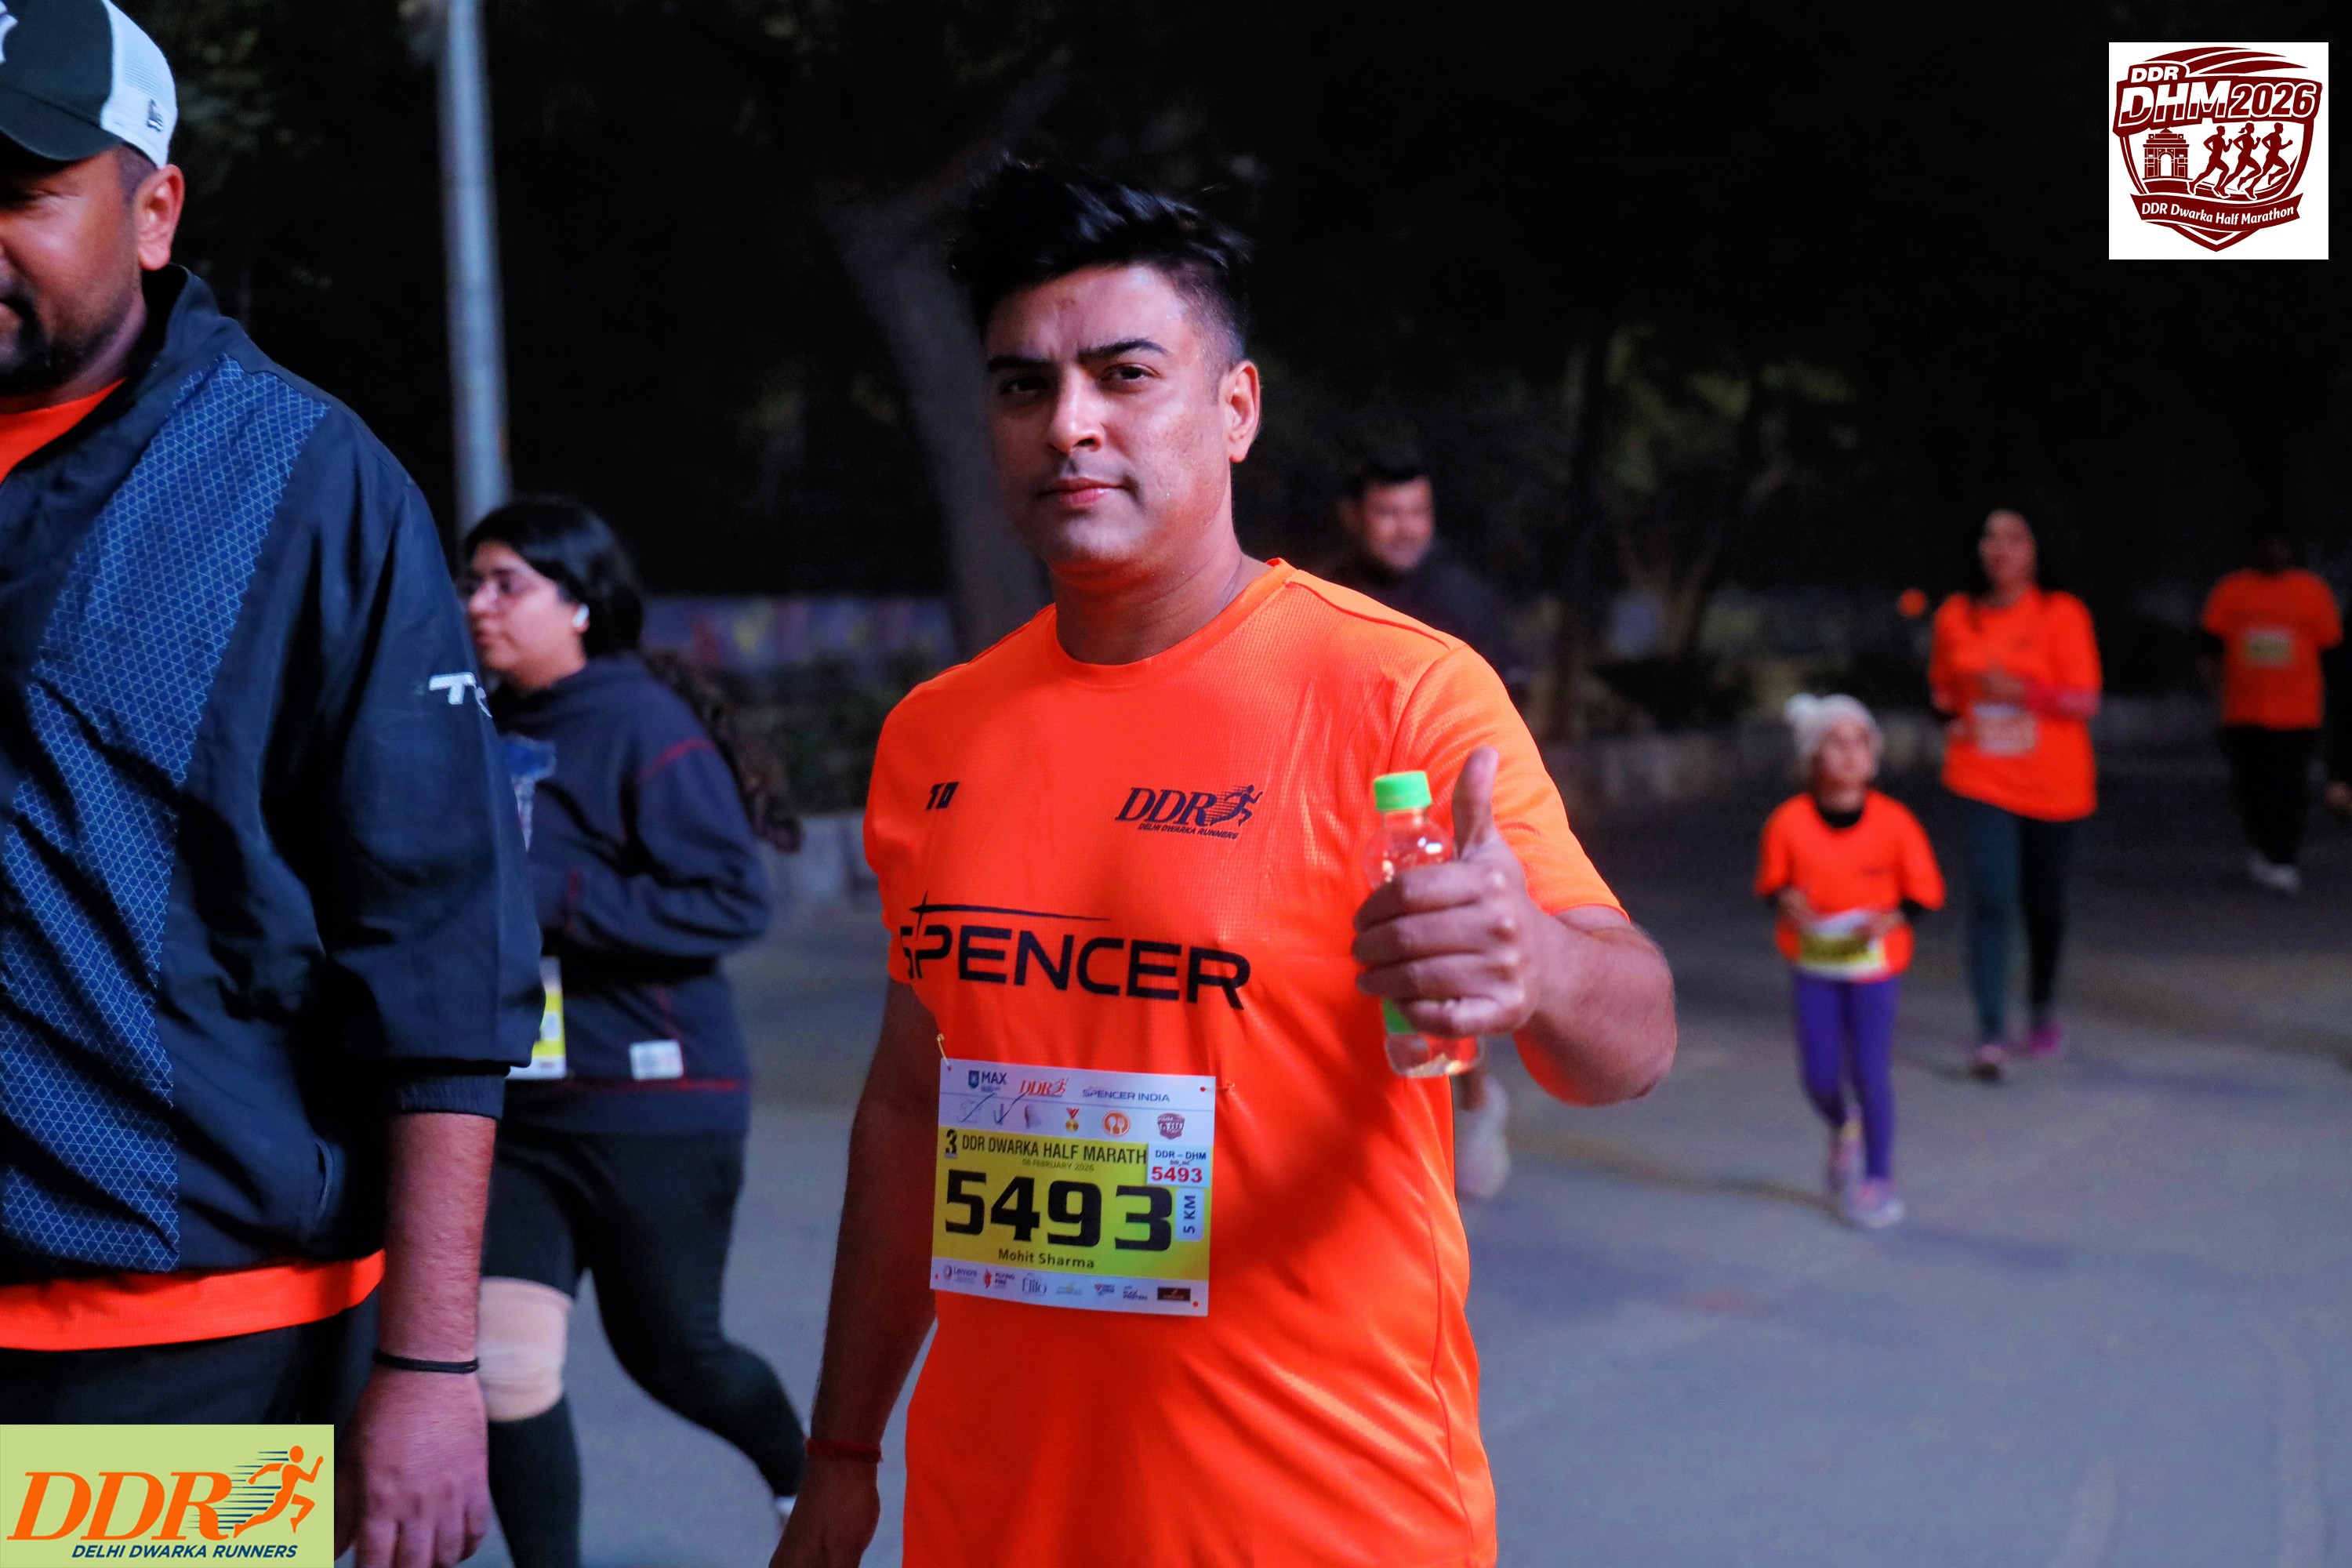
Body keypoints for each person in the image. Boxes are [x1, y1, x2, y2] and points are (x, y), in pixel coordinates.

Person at [774, 162, 1676, 1568]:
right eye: (1023, 386)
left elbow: (1631, 1043)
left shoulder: (1399, 695)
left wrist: (1540, 960)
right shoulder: (934, 736)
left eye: (1125, 374)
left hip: (1318, 1524)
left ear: (1236, 408)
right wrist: (840, 1452)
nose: (1069, 424)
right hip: (991, 1520)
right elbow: (909, 1108)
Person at [0, 7, 541, 1568]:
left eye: (22, 192)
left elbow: (440, 961)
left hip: (196, 1357)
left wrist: (432, 1367)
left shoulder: (301, 484)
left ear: (154, 208)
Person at [460, 499, 810, 1568]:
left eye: (507, 583)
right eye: (471, 582)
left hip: (656, 1101)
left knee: (674, 1354)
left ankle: (805, 1481)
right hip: (523, 1111)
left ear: (579, 602)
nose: (479, 604)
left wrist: (557, 897)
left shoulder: (642, 724)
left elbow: (730, 900)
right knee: (503, 1364)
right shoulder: (479, 728)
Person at [1326, 456, 1521, 1200]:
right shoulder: (1327, 598)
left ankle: (1473, 1102)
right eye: (1388, 513)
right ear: (1355, 516)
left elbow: (1507, 725)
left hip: (1439, 814)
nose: (1406, 529)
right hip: (1347, 815)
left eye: (1418, 513)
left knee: (1447, 965)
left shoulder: (1465, 600)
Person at [1756, 695, 1944, 1230]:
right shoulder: (1788, 823)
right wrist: (1786, 900)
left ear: (1873, 755)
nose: (1849, 753)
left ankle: (1878, 1179)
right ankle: (1844, 1124)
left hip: (1873, 968)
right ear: (1812, 757)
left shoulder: (1895, 823)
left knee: (1869, 1069)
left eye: (1859, 741)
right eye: (1835, 742)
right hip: (1814, 964)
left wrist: (1892, 918)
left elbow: (1925, 893)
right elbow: (1772, 885)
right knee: (1818, 1076)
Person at [1929, 509, 2100, 1081]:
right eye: (1990, 538)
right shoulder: (1956, 615)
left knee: (2044, 904)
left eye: (2015, 538)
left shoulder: (2062, 613)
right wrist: (1949, 716)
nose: (2000, 550)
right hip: (1983, 777)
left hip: (2055, 785)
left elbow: (2085, 699)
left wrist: (2024, 693)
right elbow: (1943, 689)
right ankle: (1991, 1031)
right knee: (1992, 897)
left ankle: (2042, 1006)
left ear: (2036, 549)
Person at [2198, 528, 2341, 894]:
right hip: (2244, 713)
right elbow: (2211, 646)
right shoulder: (2232, 591)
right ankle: (2264, 847)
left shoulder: (2312, 592)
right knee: (2251, 786)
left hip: (2297, 715)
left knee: (2290, 787)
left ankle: (2284, 856)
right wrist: (2210, 687)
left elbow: (2332, 652)